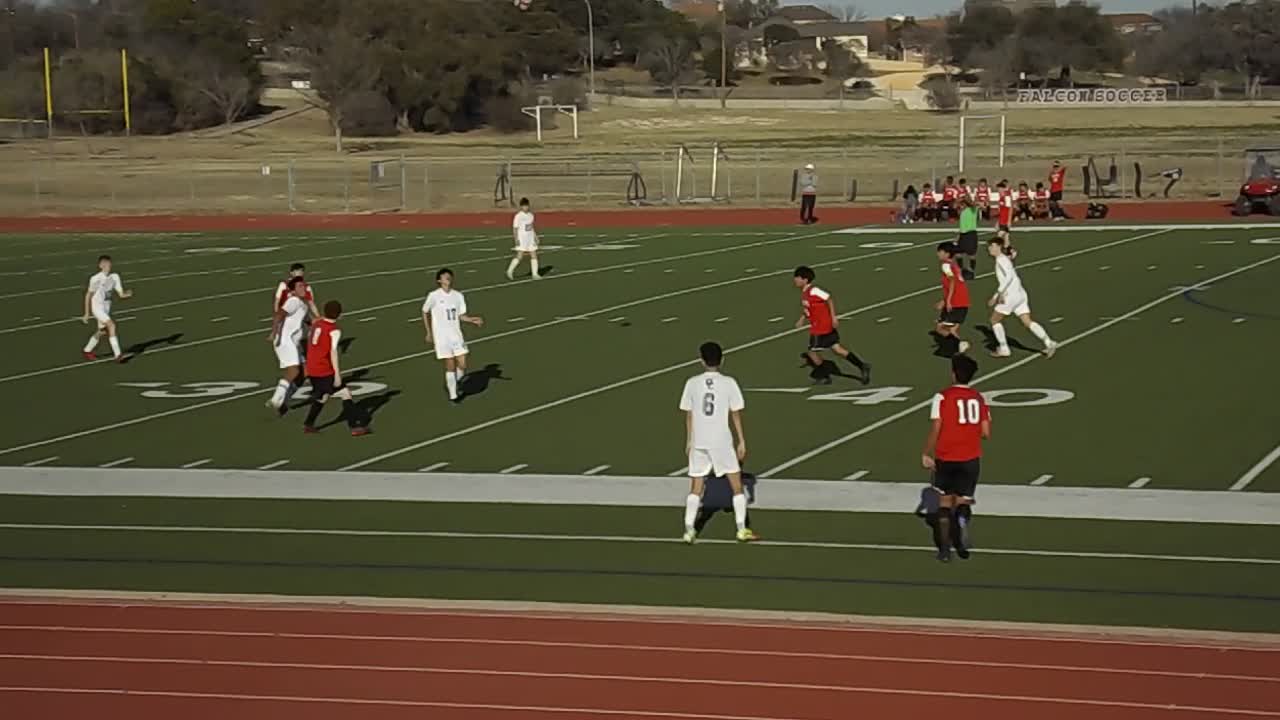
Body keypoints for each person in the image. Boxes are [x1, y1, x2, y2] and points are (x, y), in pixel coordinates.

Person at [679, 341, 755, 544]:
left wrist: (689, 440)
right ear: (722, 360)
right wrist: (741, 440)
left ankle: (689, 530)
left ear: (701, 360)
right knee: (737, 486)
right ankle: (741, 529)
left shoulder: (692, 382)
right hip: (721, 439)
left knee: (696, 486)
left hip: (699, 439)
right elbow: (735, 414)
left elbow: (689, 415)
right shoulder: (729, 382)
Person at [920, 354, 990, 562]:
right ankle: (961, 522)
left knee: (943, 503)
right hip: (970, 457)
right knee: (962, 500)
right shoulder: (979, 398)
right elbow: (986, 432)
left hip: (946, 456)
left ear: (953, 374)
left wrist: (926, 452)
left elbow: (936, 427)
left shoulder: (942, 397)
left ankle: (944, 549)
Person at [793, 266, 871, 385]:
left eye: (797, 277)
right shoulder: (804, 293)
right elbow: (809, 309)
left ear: (805, 280)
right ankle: (862, 366)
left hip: (820, 326)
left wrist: (834, 317)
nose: (795, 280)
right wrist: (802, 319)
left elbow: (829, 299)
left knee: (812, 352)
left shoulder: (814, 290)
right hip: (820, 324)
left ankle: (824, 376)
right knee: (837, 349)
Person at [301, 300, 368, 436]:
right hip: (323, 369)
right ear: (338, 314)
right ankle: (355, 426)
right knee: (345, 394)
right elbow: (333, 352)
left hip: (312, 368)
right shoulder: (334, 330)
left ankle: (309, 424)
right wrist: (337, 374)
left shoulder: (317, 324)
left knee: (322, 396)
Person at [987, 237, 1057, 359]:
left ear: (999, 247)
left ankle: (1004, 348)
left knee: (994, 320)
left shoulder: (1001, 260)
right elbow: (1011, 277)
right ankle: (1049, 342)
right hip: (1019, 294)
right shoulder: (1003, 259)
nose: (989, 249)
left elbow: (1008, 277)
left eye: (992, 246)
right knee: (1027, 321)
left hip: (1010, 296)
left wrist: (997, 295)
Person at [423, 267, 484, 403]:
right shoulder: (434, 296)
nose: (448, 278)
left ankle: (454, 383)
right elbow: (425, 311)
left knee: (462, 364)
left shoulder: (458, 296)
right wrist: (429, 332)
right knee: (450, 364)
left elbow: (461, 316)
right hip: (442, 337)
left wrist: (472, 319)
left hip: (456, 334)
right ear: (439, 280)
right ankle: (453, 394)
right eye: (445, 277)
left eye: (449, 276)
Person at [267, 277, 310, 412]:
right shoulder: (293, 301)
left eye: (303, 286)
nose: (303, 288)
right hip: (286, 340)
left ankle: (284, 401)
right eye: (299, 286)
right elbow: (280, 314)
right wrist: (274, 333)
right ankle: (275, 399)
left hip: (294, 343)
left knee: (304, 372)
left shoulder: (303, 305)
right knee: (294, 371)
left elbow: (310, 321)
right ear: (292, 290)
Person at [82, 255, 133, 362]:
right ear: (100, 266)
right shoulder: (95, 279)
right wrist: (86, 313)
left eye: (109, 264)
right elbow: (88, 295)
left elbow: (121, 294)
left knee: (102, 331)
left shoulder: (115, 277)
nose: (108, 267)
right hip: (97, 308)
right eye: (105, 265)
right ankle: (118, 355)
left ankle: (87, 350)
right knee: (111, 325)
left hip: (106, 308)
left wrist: (126, 294)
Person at [934, 242, 971, 356]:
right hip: (962, 301)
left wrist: (948, 301)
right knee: (952, 330)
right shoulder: (954, 265)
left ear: (946, 253)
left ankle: (960, 344)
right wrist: (944, 300)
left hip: (956, 302)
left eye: (940, 252)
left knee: (940, 329)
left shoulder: (946, 265)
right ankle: (957, 351)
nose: (938, 254)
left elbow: (952, 282)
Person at [507, 197, 541, 280]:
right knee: (520, 255)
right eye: (524, 206)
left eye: (527, 206)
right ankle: (510, 271)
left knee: (534, 254)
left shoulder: (531, 215)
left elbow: (531, 227)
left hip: (530, 238)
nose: (525, 208)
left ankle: (535, 274)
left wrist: (535, 237)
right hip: (522, 238)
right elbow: (515, 228)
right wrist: (516, 239)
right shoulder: (518, 216)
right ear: (521, 207)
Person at [956, 196, 980, 281]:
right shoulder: (962, 213)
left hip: (970, 235)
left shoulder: (972, 210)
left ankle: (972, 270)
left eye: (962, 205)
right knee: (958, 253)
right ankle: (961, 270)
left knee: (972, 255)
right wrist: (958, 236)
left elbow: (974, 204)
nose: (961, 207)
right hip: (963, 235)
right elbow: (962, 226)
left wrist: (966, 198)